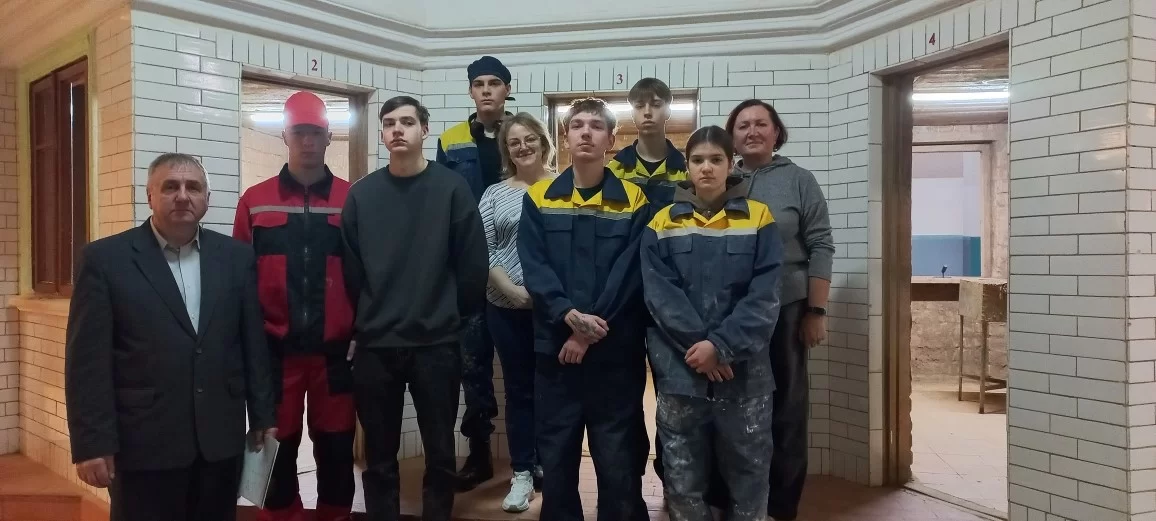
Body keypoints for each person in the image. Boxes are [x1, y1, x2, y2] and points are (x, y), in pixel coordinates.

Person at [64, 153, 276, 521]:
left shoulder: (236, 258)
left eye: (193, 187)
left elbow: (252, 343)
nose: (182, 196)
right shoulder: (105, 260)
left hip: (219, 443)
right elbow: (87, 363)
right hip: (143, 445)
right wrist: (92, 443)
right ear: (149, 196)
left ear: (207, 198)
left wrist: (263, 414)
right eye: (170, 187)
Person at [342, 95, 488, 521]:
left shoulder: (451, 188)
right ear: (382, 133)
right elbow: (351, 270)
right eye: (389, 123)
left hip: (436, 343)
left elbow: (472, 263)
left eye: (407, 122)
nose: (397, 129)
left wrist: (449, 316)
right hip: (376, 344)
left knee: (440, 453)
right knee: (379, 457)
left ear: (424, 129)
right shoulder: (362, 195)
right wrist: (365, 321)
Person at [641, 126, 784, 521]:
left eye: (716, 159)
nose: (707, 167)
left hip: (745, 375)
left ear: (731, 164)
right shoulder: (661, 223)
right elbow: (659, 294)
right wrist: (703, 349)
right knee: (682, 474)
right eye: (698, 160)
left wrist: (721, 347)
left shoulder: (759, 218)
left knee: (750, 473)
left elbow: (766, 293)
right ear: (686, 167)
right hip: (681, 373)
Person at [517, 98, 651, 521]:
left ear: (611, 139)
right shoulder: (540, 198)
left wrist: (585, 332)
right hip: (556, 354)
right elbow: (535, 267)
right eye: (577, 125)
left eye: (596, 126)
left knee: (618, 458)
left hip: (615, 355)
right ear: (566, 136)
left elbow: (631, 273)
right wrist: (568, 317)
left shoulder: (634, 199)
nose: (586, 132)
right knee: (556, 458)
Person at [233, 91, 356, 521]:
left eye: (315, 132)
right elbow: (239, 280)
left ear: (328, 137)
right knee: (275, 450)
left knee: (337, 448)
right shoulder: (255, 200)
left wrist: (362, 331)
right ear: (285, 135)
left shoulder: (352, 200)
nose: (307, 141)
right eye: (299, 132)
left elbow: (368, 276)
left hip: (335, 355)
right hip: (274, 353)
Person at [726, 99, 834, 521]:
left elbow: (821, 244)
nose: (752, 131)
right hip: (732, 313)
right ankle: (734, 500)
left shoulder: (799, 180)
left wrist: (816, 311)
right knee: (733, 405)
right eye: (742, 125)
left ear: (776, 132)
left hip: (787, 309)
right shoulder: (723, 178)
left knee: (786, 408)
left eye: (760, 124)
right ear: (732, 136)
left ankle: (781, 506)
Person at [435, 55, 516, 489]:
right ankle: (479, 454)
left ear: (507, 90)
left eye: (494, 83)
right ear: (470, 91)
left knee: (524, 366)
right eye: (479, 83)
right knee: (473, 366)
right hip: (466, 271)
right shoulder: (450, 141)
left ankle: (530, 457)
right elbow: (440, 201)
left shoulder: (522, 134)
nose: (486, 89)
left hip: (515, 265)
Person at [481, 112, 556, 512]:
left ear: (543, 142)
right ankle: (523, 471)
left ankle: (552, 466)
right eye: (514, 142)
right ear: (507, 151)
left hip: (553, 311)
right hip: (505, 308)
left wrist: (545, 296)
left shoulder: (564, 187)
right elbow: (484, 248)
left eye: (529, 139)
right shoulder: (494, 194)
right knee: (519, 390)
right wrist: (513, 291)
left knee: (553, 389)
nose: (523, 147)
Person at [608, 77, 688, 206]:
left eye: (656, 105)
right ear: (632, 114)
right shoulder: (614, 171)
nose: (647, 112)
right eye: (639, 106)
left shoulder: (686, 172)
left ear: (668, 112)